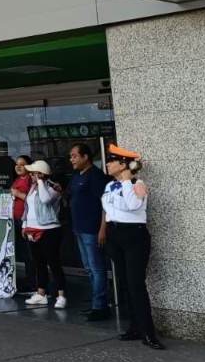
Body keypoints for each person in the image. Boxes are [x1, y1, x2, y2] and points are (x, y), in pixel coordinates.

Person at [102, 144, 162, 350]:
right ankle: (134, 326)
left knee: (136, 284)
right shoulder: (110, 186)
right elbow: (108, 210)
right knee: (124, 283)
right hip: (115, 234)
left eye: (112, 161)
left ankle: (148, 332)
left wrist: (127, 180)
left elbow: (133, 205)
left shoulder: (138, 184)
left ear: (124, 164)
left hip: (134, 235)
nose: (108, 164)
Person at [68, 144, 111, 321]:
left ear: (86, 157)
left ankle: (100, 306)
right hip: (79, 228)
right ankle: (96, 302)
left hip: (92, 229)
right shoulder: (77, 176)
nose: (72, 160)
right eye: (71, 156)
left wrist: (102, 228)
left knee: (97, 268)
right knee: (89, 268)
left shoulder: (96, 176)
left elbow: (105, 204)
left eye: (75, 156)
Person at [23, 160, 66, 309]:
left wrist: (41, 181)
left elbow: (45, 199)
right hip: (33, 229)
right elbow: (27, 208)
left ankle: (61, 295)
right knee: (38, 263)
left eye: (33, 173)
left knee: (53, 263)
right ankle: (41, 293)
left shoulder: (52, 188)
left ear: (41, 174)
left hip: (49, 230)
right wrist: (25, 225)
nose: (31, 176)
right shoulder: (32, 188)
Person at [9, 155, 33, 283]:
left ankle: (33, 282)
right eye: (17, 164)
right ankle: (28, 278)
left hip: (27, 220)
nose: (18, 166)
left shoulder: (30, 179)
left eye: (22, 164)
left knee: (29, 252)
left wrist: (17, 194)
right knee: (23, 252)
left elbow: (33, 199)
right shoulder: (18, 179)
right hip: (16, 219)